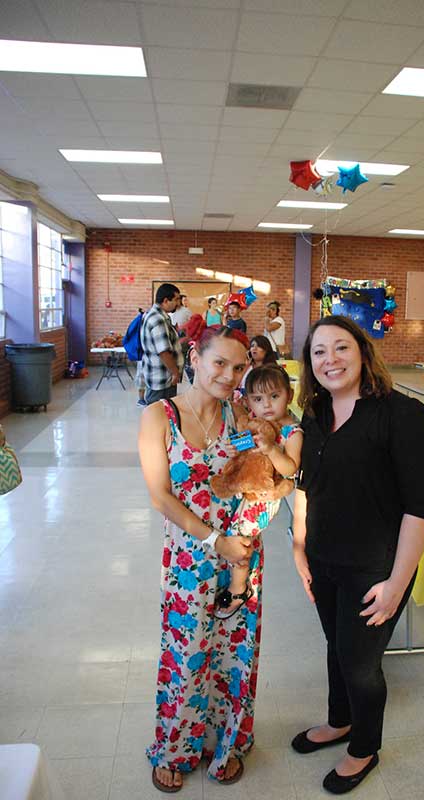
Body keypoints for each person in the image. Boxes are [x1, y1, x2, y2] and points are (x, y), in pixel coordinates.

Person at [291, 316, 424, 795]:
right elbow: (306, 487)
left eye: (340, 348)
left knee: (359, 661)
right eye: (318, 352)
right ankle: (340, 721)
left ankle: (364, 746)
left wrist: (397, 584)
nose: (329, 359)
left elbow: (419, 508)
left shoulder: (401, 414)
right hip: (324, 558)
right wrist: (299, 548)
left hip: (377, 565)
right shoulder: (314, 414)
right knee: (337, 647)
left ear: (363, 352)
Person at [139, 324, 261, 792]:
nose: (229, 375)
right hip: (191, 556)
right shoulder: (160, 415)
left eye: (238, 367)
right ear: (194, 356)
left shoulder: (241, 417)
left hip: (241, 559)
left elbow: (262, 470)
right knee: (186, 652)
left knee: (235, 654)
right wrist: (216, 541)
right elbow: (160, 497)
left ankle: (224, 741)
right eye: (219, 363)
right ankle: (175, 746)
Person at [216, 365, 303, 619]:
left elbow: (291, 469)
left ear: (290, 393)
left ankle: (239, 588)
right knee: (235, 533)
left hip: (266, 496)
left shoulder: (293, 432)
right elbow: (244, 444)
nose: (266, 405)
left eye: (274, 396)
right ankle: (238, 578)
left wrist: (273, 450)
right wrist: (236, 450)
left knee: (239, 536)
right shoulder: (260, 425)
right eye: (257, 399)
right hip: (248, 492)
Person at [141, 284, 183, 405]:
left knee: (160, 416)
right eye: (176, 299)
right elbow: (163, 352)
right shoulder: (158, 319)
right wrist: (175, 373)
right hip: (162, 381)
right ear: (165, 300)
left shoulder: (152, 314)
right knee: (161, 417)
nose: (178, 303)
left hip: (158, 377)